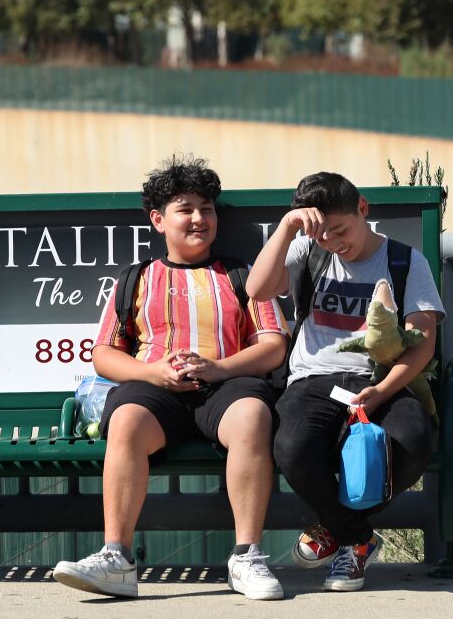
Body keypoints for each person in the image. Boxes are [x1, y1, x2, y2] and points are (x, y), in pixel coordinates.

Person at [53, 156, 289, 600]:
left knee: (254, 415)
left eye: (208, 208)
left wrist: (220, 368)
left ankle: (247, 556)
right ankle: (116, 559)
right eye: (186, 209)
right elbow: (104, 354)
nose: (199, 219)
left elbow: (274, 344)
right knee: (124, 421)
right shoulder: (136, 278)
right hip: (154, 389)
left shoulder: (242, 273)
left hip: (227, 385)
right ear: (159, 220)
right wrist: (151, 373)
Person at [246, 172, 441, 592]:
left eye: (341, 230)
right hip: (314, 379)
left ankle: (332, 528)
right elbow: (258, 290)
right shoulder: (306, 251)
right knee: (292, 447)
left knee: (412, 441)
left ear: (363, 209)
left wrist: (383, 391)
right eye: (323, 235)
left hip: (381, 378)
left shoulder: (406, 261)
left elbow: (422, 344)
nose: (334, 243)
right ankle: (356, 538)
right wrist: (288, 227)